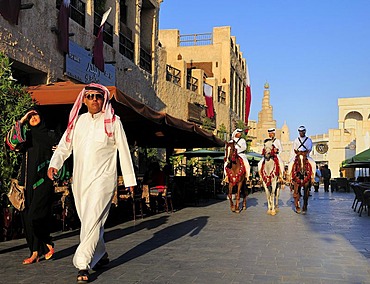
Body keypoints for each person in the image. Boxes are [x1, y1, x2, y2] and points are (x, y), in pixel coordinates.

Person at [47, 83, 136, 284]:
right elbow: (64, 147)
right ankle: (101, 253)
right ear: (84, 100)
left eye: (98, 96)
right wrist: (55, 164)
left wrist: (130, 179)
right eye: (90, 96)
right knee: (89, 221)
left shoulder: (114, 122)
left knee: (93, 218)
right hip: (80, 180)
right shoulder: (78, 122)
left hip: (103, 180)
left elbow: (124, 150)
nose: (94, 100)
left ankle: (83, 264)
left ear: (103, 99)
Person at [6, 107, 57, 264]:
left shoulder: (51, 135)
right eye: (30, 117)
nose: (33, 118)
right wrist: (21, 120)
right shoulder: (26, 137)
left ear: (41, 116)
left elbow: (61, 153)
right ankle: (34, 252)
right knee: (27, 218)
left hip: (44, 182)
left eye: (35, 115)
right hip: (27, 183)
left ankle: (47, 241)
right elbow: (11, 143)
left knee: (36, 214)